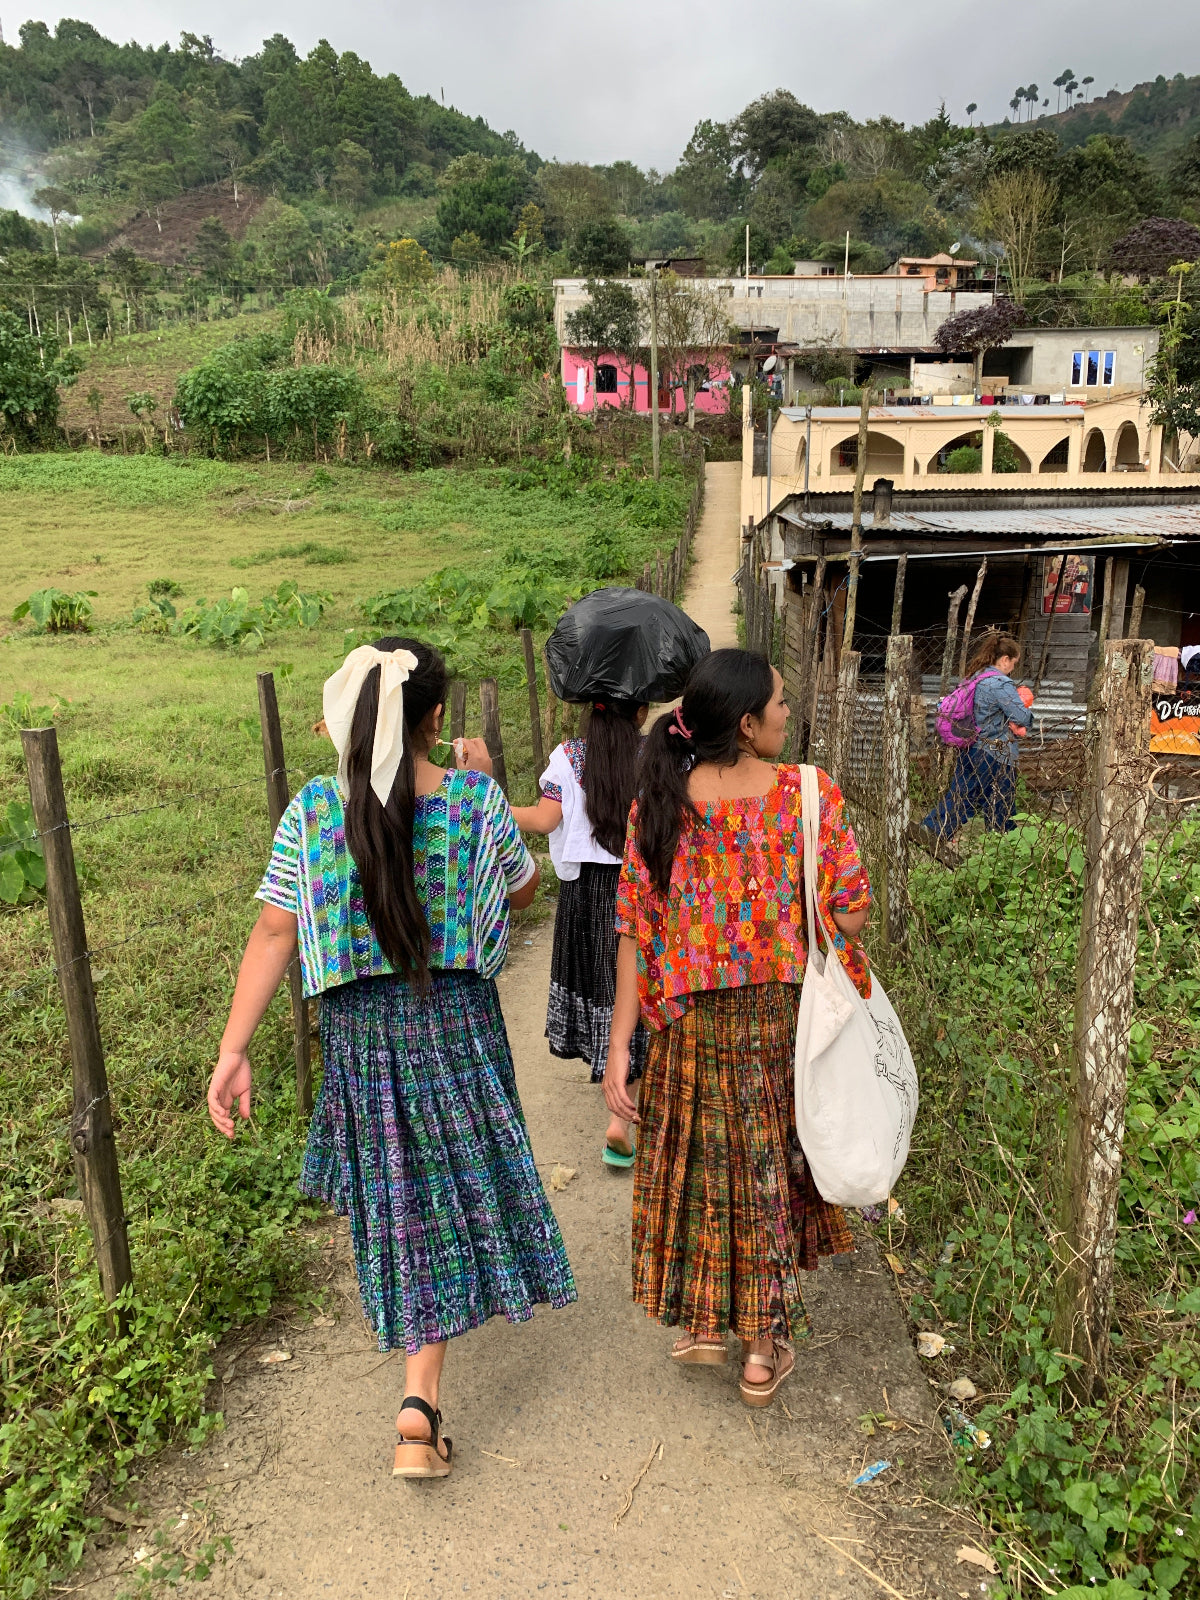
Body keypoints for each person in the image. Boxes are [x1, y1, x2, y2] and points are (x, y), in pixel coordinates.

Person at [207, 638, 576, 1480]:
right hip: (457, 1028)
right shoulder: (477, 803)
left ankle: (419, 1395)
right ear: (435, 720)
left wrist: (234, 1050)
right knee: (439, 1193)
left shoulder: (310, 811)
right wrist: (484, 781)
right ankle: (418, 1406)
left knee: (402, 1197)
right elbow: (523, 889)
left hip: (360, 1043)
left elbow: (274, 930)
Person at [603, 648, 871, 1407]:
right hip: (780, 1020)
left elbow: (635, 932)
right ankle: (762, 1352)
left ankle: (707, 1325)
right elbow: (850, 912)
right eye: (781, 704)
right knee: (765, 1176)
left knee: (702, 1171)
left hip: (688, 1020)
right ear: (748, 725)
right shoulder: (806, 794)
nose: (791, 713)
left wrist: (621, 1044)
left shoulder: (659, 798)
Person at [512, 700, 650, 1168]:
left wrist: (487, 803)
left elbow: (544, 820)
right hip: (640, 888)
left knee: (602, 989)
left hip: (587, 894)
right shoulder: (657, 755)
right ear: (642, 711)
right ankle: (624, 1113)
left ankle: (614, 1092)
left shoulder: (570, 757)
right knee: (635, 991)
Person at [922, 631, 1034, 839]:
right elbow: (1020, 717)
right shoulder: (1000, 683)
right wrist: (1028, 711)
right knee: (999, 802)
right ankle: (1001, 844)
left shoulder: (977, 676)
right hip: (995, 752)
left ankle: (932, 829)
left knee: (961, 795)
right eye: (1014, 663)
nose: (1013, 668)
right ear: (1005, 659)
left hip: (970, 747)